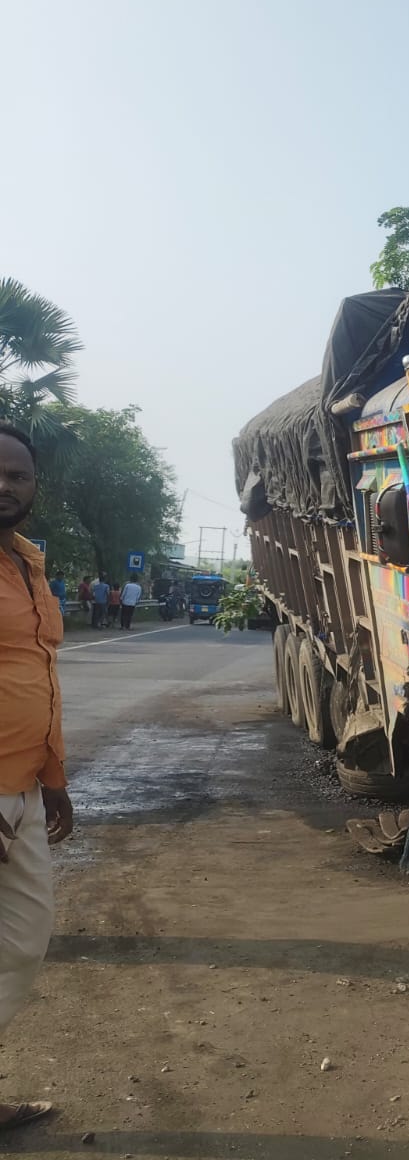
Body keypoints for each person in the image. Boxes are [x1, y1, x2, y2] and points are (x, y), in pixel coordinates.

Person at [0, 422, 74, 1132]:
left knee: (23, 938)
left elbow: (40, 673)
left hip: (23, 784)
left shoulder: (28, 561)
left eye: (17, 474)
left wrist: (53, 776)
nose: (4, 486)